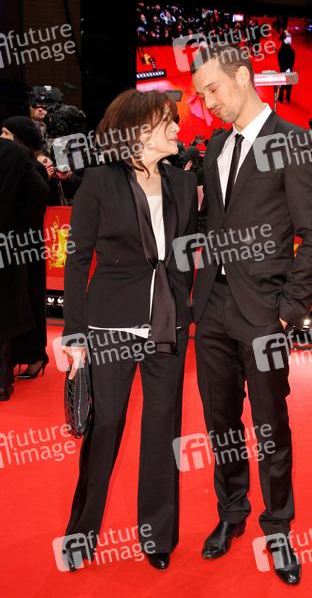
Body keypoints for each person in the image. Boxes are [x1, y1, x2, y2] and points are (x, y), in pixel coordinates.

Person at [190, 43, 312, 586]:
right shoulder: (215, 145)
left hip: (265, 314)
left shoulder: (292, 142)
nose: (208, 103)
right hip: (213, 308)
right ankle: (232, 513)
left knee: (272, 425)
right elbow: (211, 222)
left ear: (244, 77)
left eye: (213, 89)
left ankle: (278, 527)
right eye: (202, 95)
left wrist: (288, 312)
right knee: (220, 422)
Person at [60, 89, 197, 572]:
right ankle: (81, 534)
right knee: (106, 426)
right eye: (168, 121)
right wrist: (74, 334)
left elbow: (186, 254)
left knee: (163, 428)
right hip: (109, 324)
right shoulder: (99, 182)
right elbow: (77, 260)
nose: (177, 129)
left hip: (169, 325)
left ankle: (158, 536)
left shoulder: (184, 183)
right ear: (139, 130)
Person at [1, 116, 50, 379]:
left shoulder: (32, 167)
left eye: (6, 133)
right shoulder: (13, 162)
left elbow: (39, 196)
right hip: (19, 243)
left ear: (19, 139)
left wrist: (18, 223)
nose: (2, 138)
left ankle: (35, 355)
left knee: (28, 298)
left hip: (25, 244)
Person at [278, 31, 295, 103]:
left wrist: (282, 66)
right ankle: (288, 97)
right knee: (289, 82)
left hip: (283, 68)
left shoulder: (281, 51)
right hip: (289, 69)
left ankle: (281, 97)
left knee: (282, 82)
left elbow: (279, 61)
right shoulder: (292, 51)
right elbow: (292, 61)